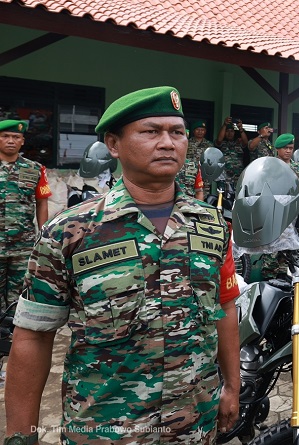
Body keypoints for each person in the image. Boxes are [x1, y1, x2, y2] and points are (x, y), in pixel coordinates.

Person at [4, 87, 240, 444]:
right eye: (151, 131)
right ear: (113, 144)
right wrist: (20, 436)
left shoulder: (212, 225)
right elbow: (33, 337)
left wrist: (232, 388)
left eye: (177, 132)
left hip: (194, 424)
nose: (168, 142)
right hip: (106, 429)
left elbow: (225, 307)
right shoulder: (69, 233)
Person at [0, 119, 51, 313]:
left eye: (16, 137)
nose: (11, 140)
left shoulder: (35, 169)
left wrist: (43, 234)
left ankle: (13, 331)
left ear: (22, 141)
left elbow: (42, 202)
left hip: (23, 244)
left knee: (20, 292)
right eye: (5, 136)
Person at [215, 116, 249, 185]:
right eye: (227, 131)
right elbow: (219, 140)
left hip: (238, 175)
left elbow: (246, 142)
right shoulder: (222, 143)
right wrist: (224, 125)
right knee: (223, 194)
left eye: (232, 131)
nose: (229, 133)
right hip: (224, 175)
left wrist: (240, 128)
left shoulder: (238, 142)